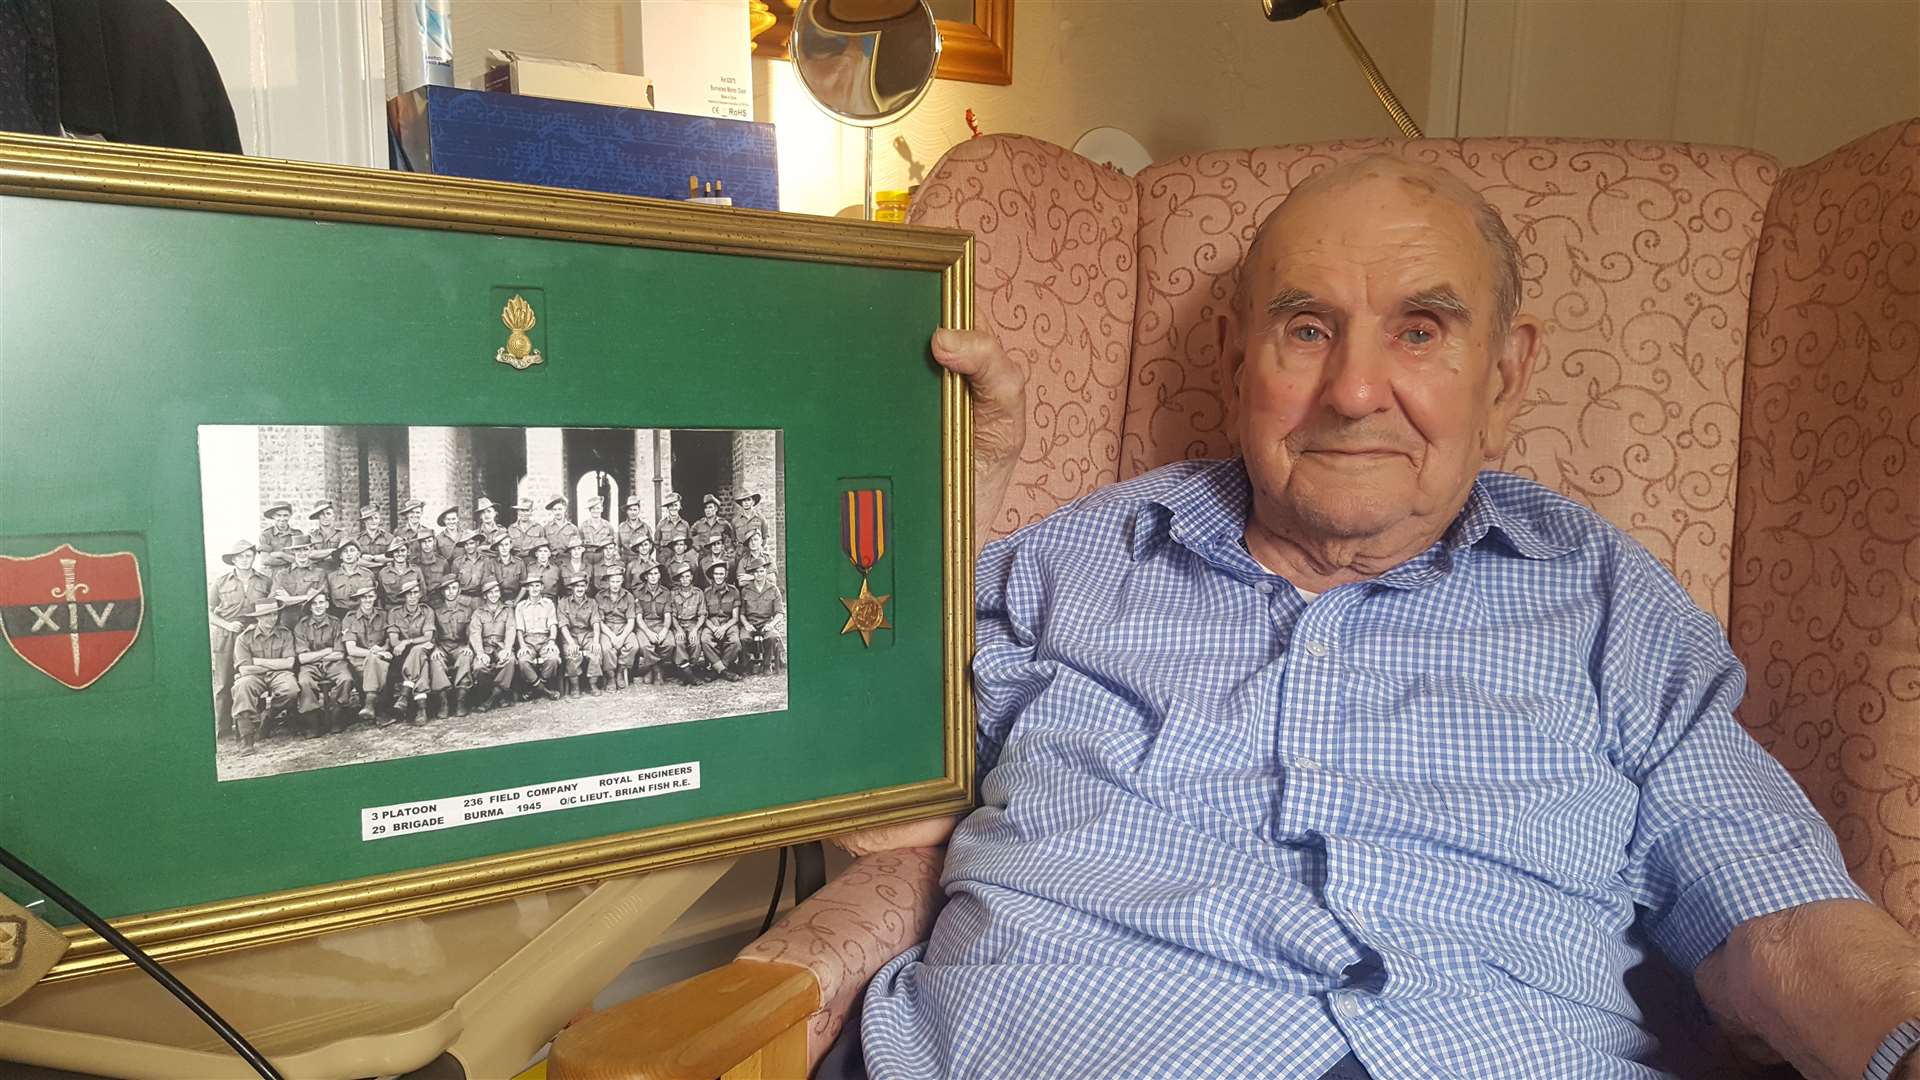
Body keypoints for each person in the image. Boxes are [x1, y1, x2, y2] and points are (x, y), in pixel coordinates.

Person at [849, 158, 1920, 1080]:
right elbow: (862, 805)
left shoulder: (1603, 602)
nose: (1355, 391)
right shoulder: (1072, 562)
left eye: (1420, 331)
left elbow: (1777, 915)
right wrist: (956, 489)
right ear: (1236, 360)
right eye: (1306, 329)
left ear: (1505, 377)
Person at [208, 538, 270, 740]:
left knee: (253, 677)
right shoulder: (221, 582)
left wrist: (258, 625)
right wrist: (226, 625)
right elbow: (206, 611)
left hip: (253, 634)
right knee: (224, 682)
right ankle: (223, 728)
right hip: (227, 634)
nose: (245, 560)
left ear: (253, 557)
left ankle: (254, 725)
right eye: (240, 557)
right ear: (233, 560)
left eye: (248, 555)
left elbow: (269, 608)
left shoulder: (263, 581)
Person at [229, 596, 299, 754]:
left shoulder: (285, 634)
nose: (272, 618)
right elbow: (245, 670)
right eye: (267, 615)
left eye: (274, 614)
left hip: (279, 675)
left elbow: (289, 664)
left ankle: (269, 715)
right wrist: (274, 664)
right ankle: (247, 738)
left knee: (291, 690)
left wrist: (259, 661)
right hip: (254, 677)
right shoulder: (244, 638)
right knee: (241, 686)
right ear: (258, 617)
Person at [291, 589, 354, 736]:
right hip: (310, 666)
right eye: (314, 604)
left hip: (334, 664)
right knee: (304, 682)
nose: (318, 606)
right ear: (310, 607)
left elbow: (339, 654)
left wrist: (315, 655)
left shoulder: (336, 623)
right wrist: (326, 651)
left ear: (327, 604)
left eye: (321, 602)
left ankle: (337, 716)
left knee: (346, 679)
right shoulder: (301, 626)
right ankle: (312, 721)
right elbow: (302, 658)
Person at [385, 579, 449, 722]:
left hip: (422, 650)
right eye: (409, 594)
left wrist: (407, 642)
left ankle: (405, 695)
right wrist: (405, 645)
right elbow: (394, 641)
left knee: (418, 651)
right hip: (402, 656)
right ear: (404, 596)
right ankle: (422, 709)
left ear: (420, 594)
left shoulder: (427, 611)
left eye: (415, 593)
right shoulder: (394, 613)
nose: (412, 597)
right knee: (422, 662)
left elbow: (428, 637)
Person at [339, 584, 395, 724]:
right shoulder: (349, 618)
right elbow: (351, 649)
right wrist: (374, 652)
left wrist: (383, 649)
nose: (367, 600)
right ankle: (380, 710)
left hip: (381, 657)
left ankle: (369, 703)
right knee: (375, 662)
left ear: (375, 597)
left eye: (370, 596)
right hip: (359, 661)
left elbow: (389, 641)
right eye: (364, 597)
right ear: (359, 599)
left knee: (376, 662)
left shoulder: (384, 615)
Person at [467, 577, 516, 712]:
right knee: (478, 667)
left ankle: (491, 699)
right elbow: (475, 634)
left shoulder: (507, 610)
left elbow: (511, 630)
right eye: (490, 592)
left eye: (496, 591)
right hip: (485, 647)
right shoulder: (478, 613)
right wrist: (480, 653)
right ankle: (498, 694)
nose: (494, 595)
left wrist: (507, 648)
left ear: (500, 593)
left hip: (501, 646)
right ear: (485, 596)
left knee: (510, 660)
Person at [431, 574, 477, 717]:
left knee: (465, 658)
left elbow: (472, 632)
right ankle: (443, 702)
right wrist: (435, 648)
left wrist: (469, 646)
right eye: (447, 589)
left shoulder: (466, 610)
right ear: (442, 592)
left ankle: (460, 701)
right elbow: (431, 633)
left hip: (460, 646)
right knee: (435, 661)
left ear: (459, 590)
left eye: (454, 588)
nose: (451, 592)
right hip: (442, 646)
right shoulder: (436, 611)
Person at [513, 576, 563, 700]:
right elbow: (519, 630)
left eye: (537, 585)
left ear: (542, 587)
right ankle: (544, 690)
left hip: (545, 639)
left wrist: (552, 641)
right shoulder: (521, 606)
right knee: (523, 661)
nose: (534, 589)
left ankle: (535, 688)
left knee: (553, 659)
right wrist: (523, 645)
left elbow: (553, 625)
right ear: (526, 588)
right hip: (528, 641)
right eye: (531, 586)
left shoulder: (548, 604)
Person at [595, 564, 641, 689]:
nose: (615, 585)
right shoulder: (599, 596)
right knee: (605, 648)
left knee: (634, 645)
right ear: (608, 582)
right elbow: (599, 621)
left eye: (618, 581)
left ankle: (620, 671)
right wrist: (612, 636)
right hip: (606, 628)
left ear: (622, 581)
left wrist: (621, 637)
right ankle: (610, 676)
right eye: (612, 581)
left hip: (624, 627)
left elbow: (631, 621)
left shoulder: (629, 596)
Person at [557, 574, 604, 697]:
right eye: (576, 586)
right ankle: (575, 686)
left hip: (587, 634)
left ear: (586, 587)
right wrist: (571, 643)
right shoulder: (563, 602)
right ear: (572, 588)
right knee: (572, 654)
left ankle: (592, 684)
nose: (579, 589)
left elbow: (595, 623)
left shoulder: (592, 603)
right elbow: (563, 626)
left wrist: (595, 641)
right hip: (570, 635)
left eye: (582, 586)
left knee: (595, 652)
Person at [663, 559, 709, 683]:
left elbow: (702, 614)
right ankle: (685, 670)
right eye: (682, 577)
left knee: (695, 642)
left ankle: (691, 668)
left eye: (687, 576)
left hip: (694, 623)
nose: (684, 580)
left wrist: (695, 630)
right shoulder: (673, 594)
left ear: (692, 578)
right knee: (679, 641)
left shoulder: (698, 593)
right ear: (679, 579)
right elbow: (672, 615)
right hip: (678, 623)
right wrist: (678, 629)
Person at [737, 556, 784, 674]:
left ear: (766, 571)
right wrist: (746, 624)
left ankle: (767, 665)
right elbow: (742, 613)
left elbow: (780, 613)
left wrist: (771, 624)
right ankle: (747, 665)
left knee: (772, 637)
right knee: (743, 638)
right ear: (753, 573)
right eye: (756, 572)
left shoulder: (773, 589)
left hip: (767, 622)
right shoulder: (746, 590)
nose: (759, 574)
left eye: (762, 571)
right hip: (751, 623)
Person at [700, 558, 743, 682]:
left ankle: (717, 669)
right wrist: (713, 628)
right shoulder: (706, 592)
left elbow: (735, 617)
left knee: (735, 642)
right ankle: (724, 671)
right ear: (712, 575)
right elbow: (704, 616)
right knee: (704, 639)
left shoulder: (734, 591)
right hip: (711, 623)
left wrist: (724, 628)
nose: (718, 576)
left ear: (725, 575)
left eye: (721, 574)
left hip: (729, 623)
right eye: (716, 574)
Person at [631, 562, 674, 685]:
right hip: (644, 626)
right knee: (645, 646)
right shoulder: (638, 592)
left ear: (660, 575)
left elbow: (667, 615)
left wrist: (665, 630)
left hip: (660, 624)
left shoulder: (666, 592)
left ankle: (650, 668)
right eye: (650, 574)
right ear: (646, 577)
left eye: (656, 573)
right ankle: (657, 670)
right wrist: (648, 632)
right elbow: (639, 618)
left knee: (670, 644)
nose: (653, 576)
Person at [268, 539, 326, 629]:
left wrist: (289, 599)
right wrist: (307, 597)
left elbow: (320, 597)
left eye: (305, 549)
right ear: (293, 551)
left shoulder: (319, 573)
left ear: (311, 550)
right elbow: (277, 600)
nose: (302, 553)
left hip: (311, 620)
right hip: (287, 620)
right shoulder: (282, 574)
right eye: (298, 550)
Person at [324, 538, 377, 613]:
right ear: (340, 556)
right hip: (338, 615)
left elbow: (375, 598)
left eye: (352, 550)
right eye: (345, 551)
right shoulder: (331, 577)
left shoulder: (368, 574)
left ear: (358, 554)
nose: (349, 554)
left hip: (362, 613)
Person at [376, 537, 424, 608]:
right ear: (392, 553)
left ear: (407, 552)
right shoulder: (383, 573)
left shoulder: (416, 571)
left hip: (411, 608)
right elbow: (380, 597)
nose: (400, 554)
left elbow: (423, 594)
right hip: (390, 609)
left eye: (403, 550)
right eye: (396, 551)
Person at [579, 495, 616, 572]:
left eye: (598, 508)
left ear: (602, 509)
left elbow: (612, 543)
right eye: (593, 508)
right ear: (589, 510)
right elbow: (580, 544)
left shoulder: (608, 526)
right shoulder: (583, 526)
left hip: (602, 557)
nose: (595, 511)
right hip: (587, 558)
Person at [451, 528, 491, 596]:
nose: (469, 546)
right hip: (462, 597)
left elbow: (487, 582)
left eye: (471, 543)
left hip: (480, 597)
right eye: (466, 544)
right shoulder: (457, 562)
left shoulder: (485, 560)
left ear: (477, 543)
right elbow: (453, 584)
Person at [656, 491, 691, 555]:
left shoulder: (685, 525)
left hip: (680, 559)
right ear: (668, 508)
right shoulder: (661, 524)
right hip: (666, 559)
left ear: (679, 507)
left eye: (676, 505)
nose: (673, 508)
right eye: (671, 506)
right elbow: (656, 543)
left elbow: (689, 543)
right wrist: (663, 553)